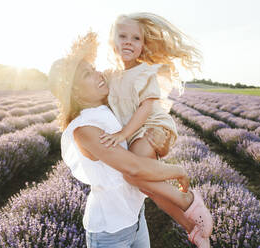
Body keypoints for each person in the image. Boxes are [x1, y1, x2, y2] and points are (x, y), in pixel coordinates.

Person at [49, 32, 211, 248]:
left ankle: (192, 228)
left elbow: (141, 142)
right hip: (110, 233)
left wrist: (159, 142)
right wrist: (179, 171)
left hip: (135, 217)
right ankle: (189, 206)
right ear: (75, 93)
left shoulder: (109, 109)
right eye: (88, 74)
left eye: (94, 69)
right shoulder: (83, 129)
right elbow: (134, 168)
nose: (99, 75)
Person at [99, 12, 213, 246]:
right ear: (112, 41)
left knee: (132, 173)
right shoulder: (110, 75)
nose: (129, 41)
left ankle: (186, 197)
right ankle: (193, 230)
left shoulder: (145, 72)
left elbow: (144, 110)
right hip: (133, 133)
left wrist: (122, 134)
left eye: (136, 38)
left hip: (153, 127)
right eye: (122, 36)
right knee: (150, 189)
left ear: (144, 45)